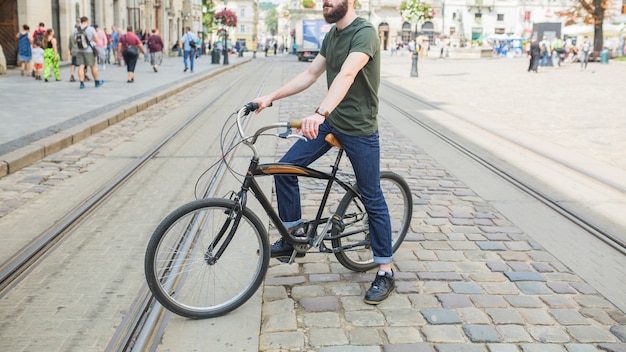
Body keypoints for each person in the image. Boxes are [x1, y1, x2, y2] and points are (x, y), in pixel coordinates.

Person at [252, 0, 395, 305]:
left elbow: (346, 75)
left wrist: (319, 112)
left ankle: (385, 269)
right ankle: (292, 238)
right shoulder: (332, 36)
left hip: (359, 129)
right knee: (284, 168)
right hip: (332, 122)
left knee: (371, 196)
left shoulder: (365, 32)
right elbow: (310, 74)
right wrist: (270, 97)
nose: (326, 2)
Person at [72, 16, 104, 89]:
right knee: (92, 66)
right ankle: (96, 82)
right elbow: (96, 40)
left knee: (81, 66)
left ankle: (82, 83)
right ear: (86, 21)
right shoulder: (91, 29)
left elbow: (74, 41)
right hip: (89, 50)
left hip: (79, 50)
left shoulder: (76, 29)